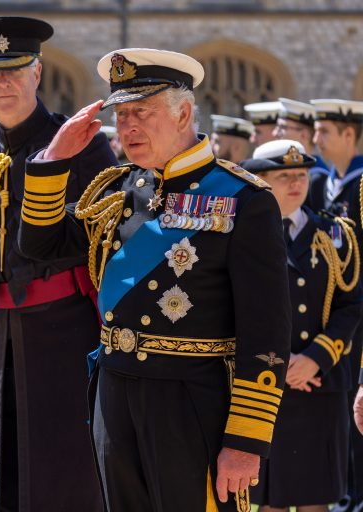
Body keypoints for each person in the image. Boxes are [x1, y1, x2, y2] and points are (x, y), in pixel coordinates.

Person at [18, 48, 291, 511]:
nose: (127, 128)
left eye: (141, 112)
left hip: (194, 403)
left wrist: (247, 439)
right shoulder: (117, 191)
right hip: (115, 393)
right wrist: (53, 158)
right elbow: (39, 246)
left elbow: (266, 331)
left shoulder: (244, 199)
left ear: (183, 113)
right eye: (121, 115)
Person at [0, 15, 116, 512]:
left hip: (65, 334)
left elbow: (104, 240)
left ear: (38, 73)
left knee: (67, 478)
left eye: (15, 70)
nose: (4, 83)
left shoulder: (80, 142)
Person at [239, 140, 362, 512]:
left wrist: (315, 359)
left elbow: (352, 305)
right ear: (260, 180)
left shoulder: (335, 235)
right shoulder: (240, 235)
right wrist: (279, 364)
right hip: (261, 385)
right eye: (284, 176)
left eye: (302, 175)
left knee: (315, 499)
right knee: (265, 499)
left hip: (317, 385)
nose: (296, 183)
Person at [306, 99, 363, 512]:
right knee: (342, 400)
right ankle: (346, 486)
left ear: (349, 135)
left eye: (324, 131)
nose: (315, 138)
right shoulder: (323, 183)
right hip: (335, 307)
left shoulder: (360, 184)